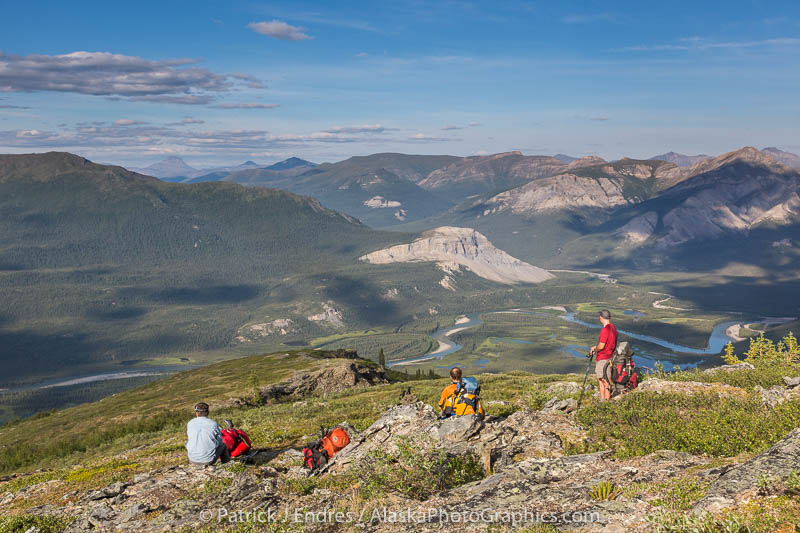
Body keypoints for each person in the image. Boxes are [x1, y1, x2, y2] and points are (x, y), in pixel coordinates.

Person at [590, 310, 618, 402]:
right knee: (606, 380)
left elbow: (601, 346)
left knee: (602, 381)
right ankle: (605, 402)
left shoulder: (605, 330)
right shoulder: (613, 328)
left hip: (602, 359)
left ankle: (603, 402)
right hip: (610, 358)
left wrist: (594, 349)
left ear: (601, 318)